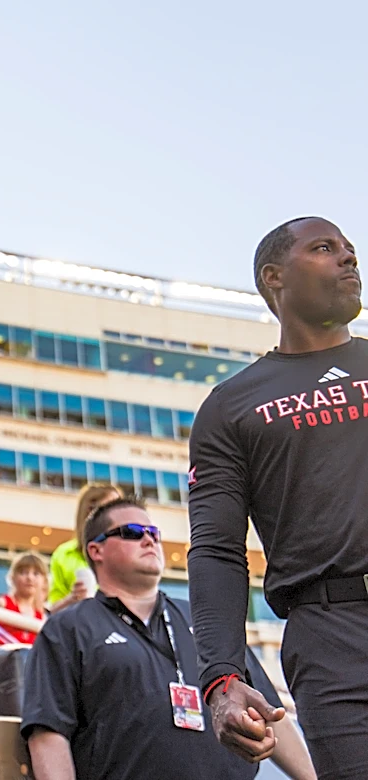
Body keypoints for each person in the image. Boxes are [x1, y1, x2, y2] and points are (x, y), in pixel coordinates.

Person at [187, 216, 368, 779]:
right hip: (330, 640)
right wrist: (220, 674)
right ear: (274, 278)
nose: (348, 259)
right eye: (324, 248)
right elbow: (216, 549)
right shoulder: (230, 406)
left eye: (350, 250)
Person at [22, 496, 316, 780]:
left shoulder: (204, 620)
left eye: (153, 532)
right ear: (96, 550)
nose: (149, 540)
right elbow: (48, 731)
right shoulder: (67, 628)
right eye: (133, 532)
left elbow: (269, 712)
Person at [48, 482, 122, 613]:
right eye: (111, 507)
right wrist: (72, 599)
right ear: (90, 512)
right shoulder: (64, 554)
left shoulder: (128, 551)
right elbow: (51, 611)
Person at [0, 552, 47, 652]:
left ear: (44, 580)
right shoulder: (2, 604)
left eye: (36, 574)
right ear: (13, 577)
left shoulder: (41, 616)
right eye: (23, 572)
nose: (29, 578)